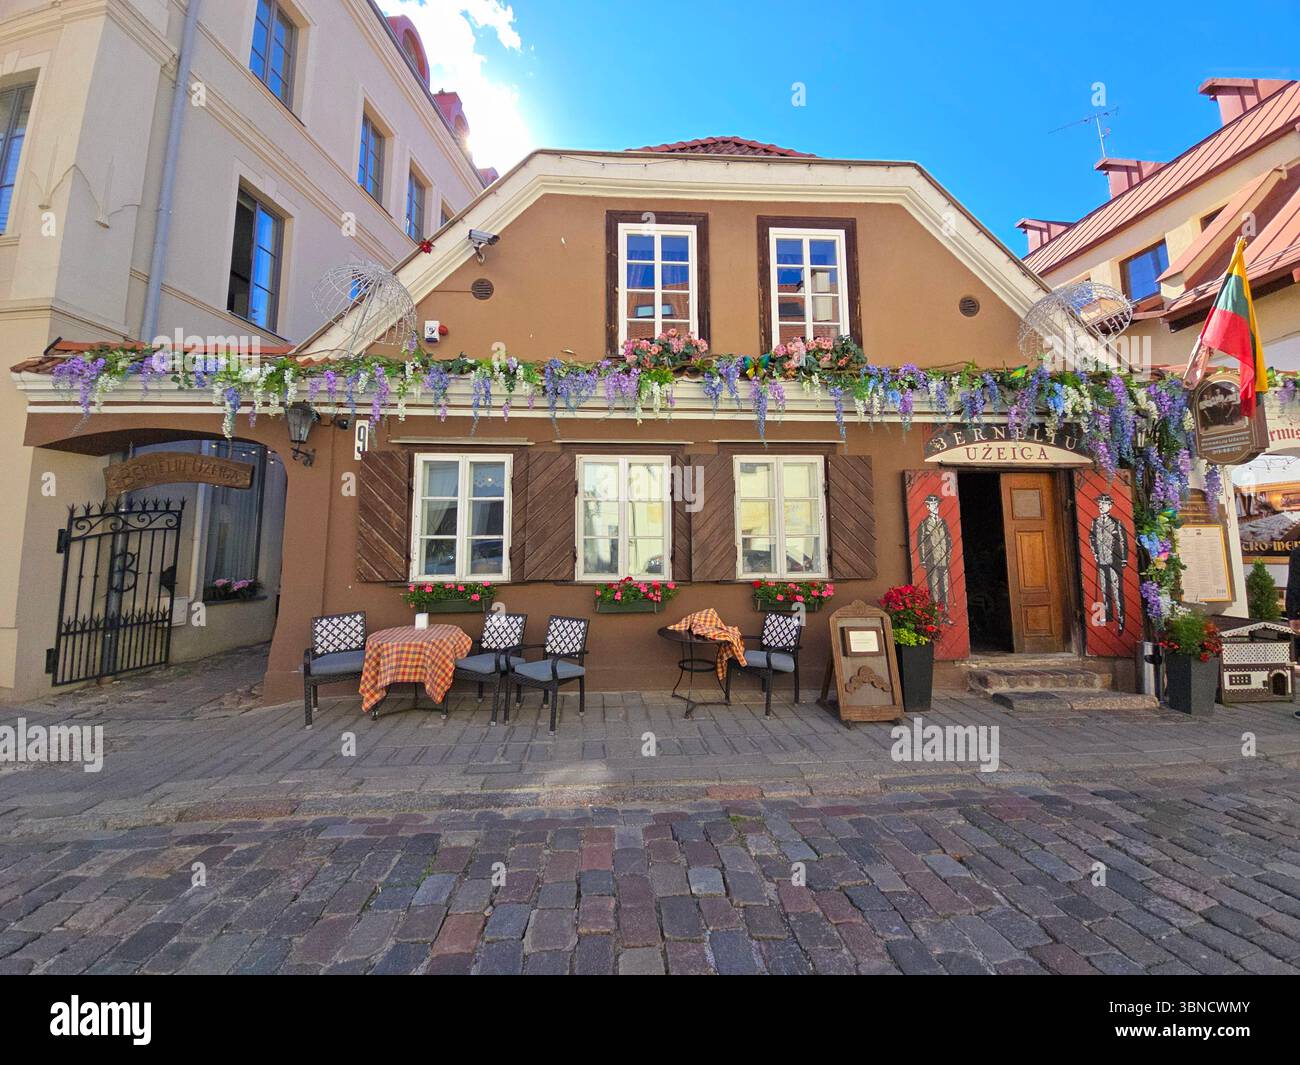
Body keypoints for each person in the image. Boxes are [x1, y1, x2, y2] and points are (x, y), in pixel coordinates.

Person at [1088, 494, 1128, 630]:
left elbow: (1122, 541)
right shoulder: (1095, 522)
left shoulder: (1117, 522)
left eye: (1104, 503)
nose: (1100, 506)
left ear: (1110, 506)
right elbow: (1091, 538)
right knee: (1105, 589)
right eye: (1099, 503)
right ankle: (1108, 615)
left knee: (1117, 590)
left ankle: (1121, 617)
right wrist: (1095, 553)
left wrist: (1123, 559)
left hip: (1114, 561)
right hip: (1102, 560)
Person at [916, 493, 952, 611]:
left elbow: (949, 540)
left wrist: (948, 556)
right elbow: (921, 543)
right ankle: (935, 615)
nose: (934, 506)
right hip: (931, 559)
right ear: (927, 507)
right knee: (934, 589)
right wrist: (923, 560)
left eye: (936, 504)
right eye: (931, 504)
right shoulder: (924, 523)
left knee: (944, 588)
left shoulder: (943, 522)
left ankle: (945, 615)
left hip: (943, 559)